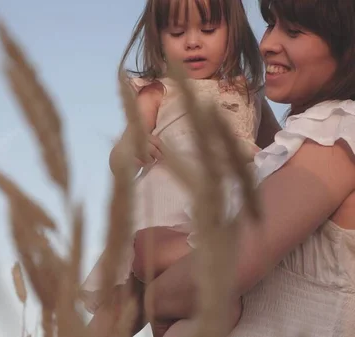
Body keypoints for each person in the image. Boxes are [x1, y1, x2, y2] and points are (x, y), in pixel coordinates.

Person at [133, 0, 355, 335]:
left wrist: (162, 273)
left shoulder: (338, 135)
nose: (266, 44)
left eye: (293, 31)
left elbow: (221, 271)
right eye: (270, 24)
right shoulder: (291, 146)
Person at [80, 0, 281, 336]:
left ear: (234, 32)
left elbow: (278, 150)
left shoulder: (251, 95)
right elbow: (121, 155)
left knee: (194, 304)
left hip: (220, 216)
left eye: (207, 29)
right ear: (159, 39)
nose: (192, 42)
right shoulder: (160, 91)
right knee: (120, 309)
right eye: (176, 32)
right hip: (160, 210)